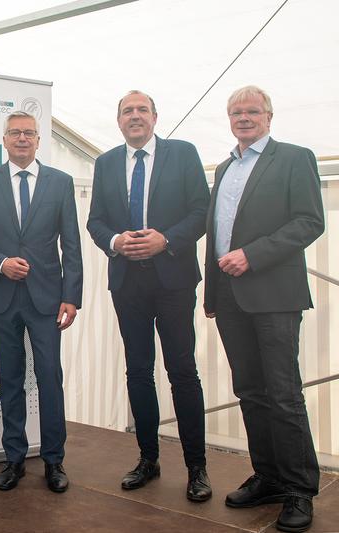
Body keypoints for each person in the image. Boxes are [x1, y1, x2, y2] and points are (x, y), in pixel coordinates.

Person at [204, 86, 324, 532]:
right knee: (250, 392)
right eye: (236, 111)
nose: (244, 117)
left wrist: (252, 254)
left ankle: (298, 489)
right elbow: (217, 231)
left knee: (283, 394)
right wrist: (212, 294)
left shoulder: (294, 158)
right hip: (231, 298)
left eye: (252, 111)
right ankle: (269, 476)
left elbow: (310, 221)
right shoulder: (224, 167)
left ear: (269, 116)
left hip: (273, 293)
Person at [86, 91, 212, 501]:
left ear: (156, 117)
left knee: (182, 371)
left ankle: (197, 468)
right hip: (128, 283)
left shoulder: (182, 153)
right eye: (127, 111)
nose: (135, 116)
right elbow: (96, 221)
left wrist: (167, 240)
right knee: (138, 371)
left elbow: (201, 211)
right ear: (118, 121)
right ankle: (147, 459)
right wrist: (115, 240)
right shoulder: (105, 163)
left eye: (142, 110)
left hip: (173, 279)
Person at [0, 110, 82, 493]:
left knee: (50, 378)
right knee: (10, 379)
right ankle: (13, 459)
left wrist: (71, 297)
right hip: (2, 298)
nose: (23, 139)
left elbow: (72, 245)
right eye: (15, 133)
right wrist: (0, 263)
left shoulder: (60, 183)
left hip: (47, 300)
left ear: (39, 140)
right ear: (5, 139)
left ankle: (54, 461)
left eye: (29, 133)